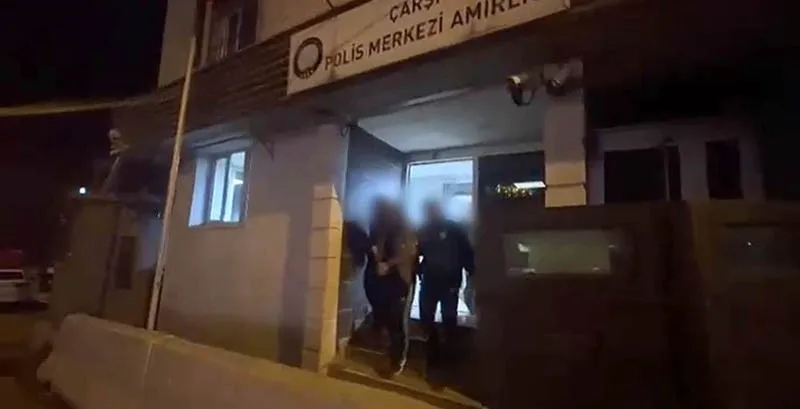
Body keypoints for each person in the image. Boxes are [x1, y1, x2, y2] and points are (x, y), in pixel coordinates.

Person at [416, 200, 475, 376]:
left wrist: (472, 273)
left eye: (431, 210)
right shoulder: (424, 230)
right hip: (430, 280)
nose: (429, 214)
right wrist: (418, 269)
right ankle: (433, 355)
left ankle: (450, 359)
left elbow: (466, 252)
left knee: (449, 319)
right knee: (426, 318)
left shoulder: (454, 229)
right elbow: (417, 251)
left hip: (449, 281)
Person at [367, 199, 417, 376]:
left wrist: (388, 264)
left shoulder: (405, 228)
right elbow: (377, 249)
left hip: (401, 281)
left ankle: (398, 362)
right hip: (386, 282)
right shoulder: (382, 228)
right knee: (389, 319)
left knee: (398, 321)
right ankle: (390, 355)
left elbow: (408, 252)